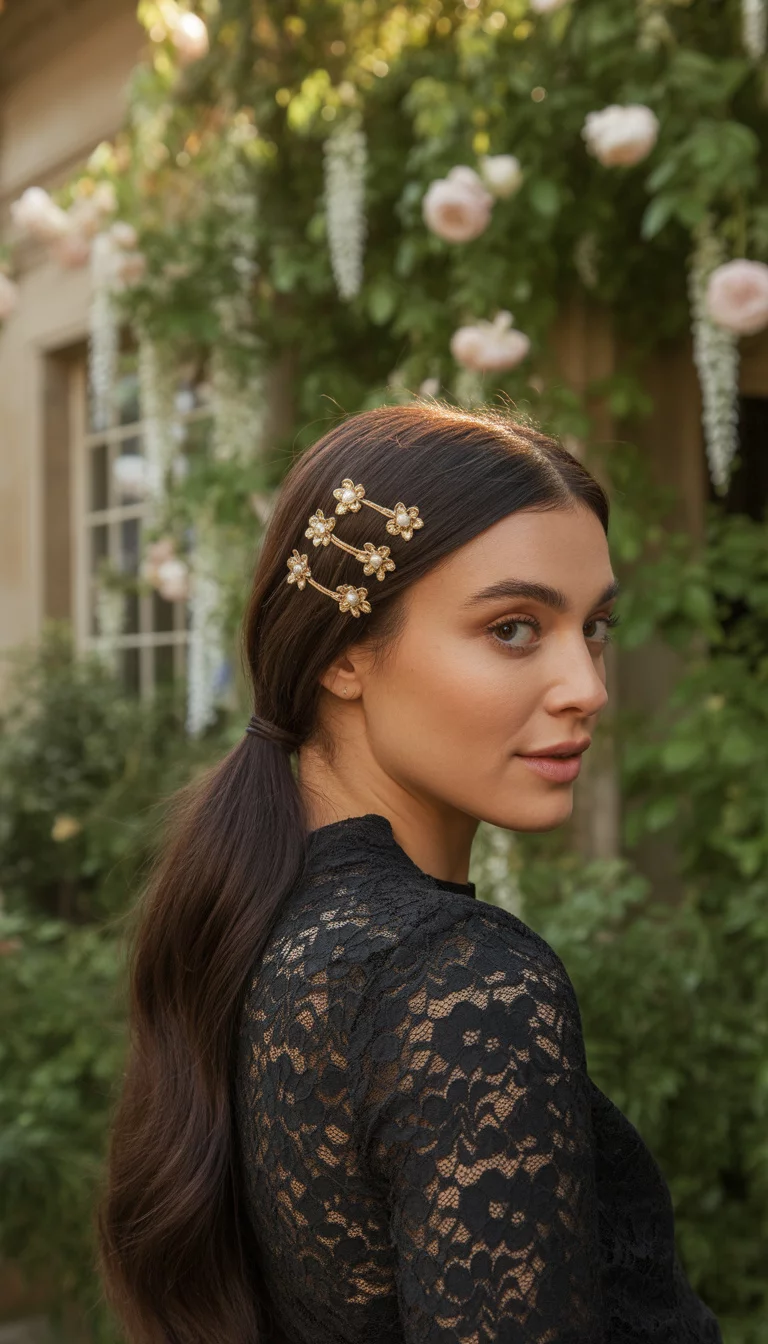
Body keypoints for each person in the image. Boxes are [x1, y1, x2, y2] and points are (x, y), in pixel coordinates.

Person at [96, 400, 723, 1343]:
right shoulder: (458, 982)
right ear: (345, 656)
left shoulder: (266, 924)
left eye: (594, 625)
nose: (588, 687)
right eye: (514, 628)